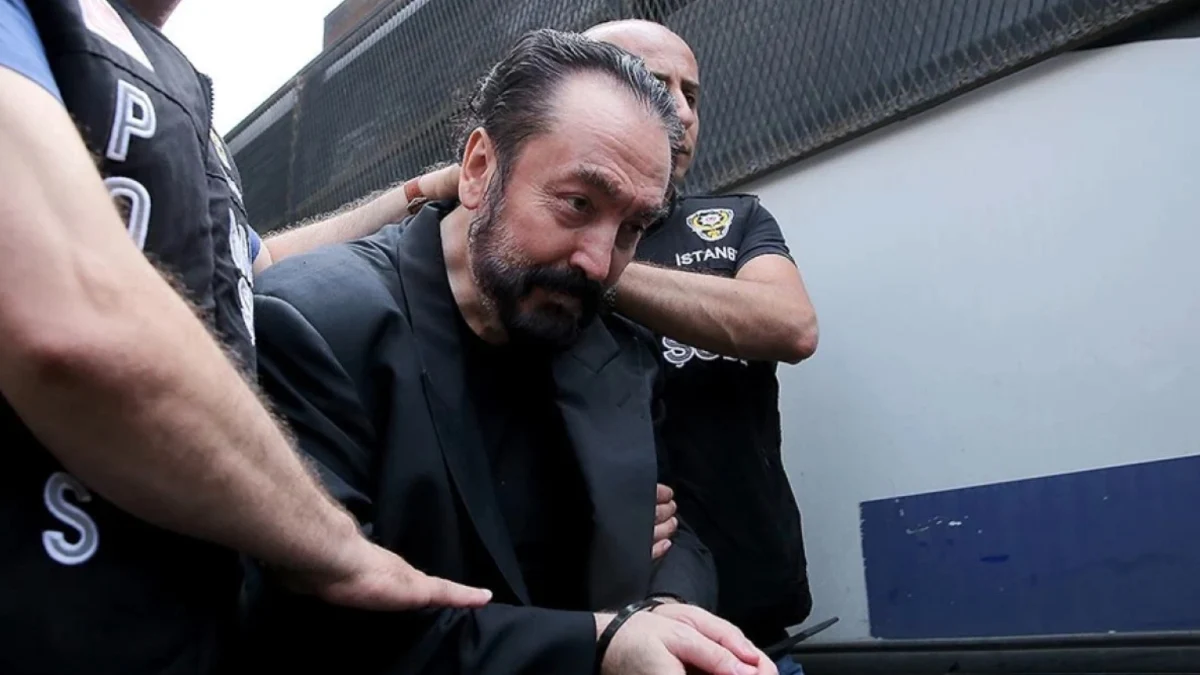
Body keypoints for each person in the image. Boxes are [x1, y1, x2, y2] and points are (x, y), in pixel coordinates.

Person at [246, 28, 776, 675]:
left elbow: (671, 534)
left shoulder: (612, 348)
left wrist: (668, 615)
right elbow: (320, 626)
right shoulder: (316, 324)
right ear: (478, 169)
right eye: (577, 203)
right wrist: (600, 644)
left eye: (632, 228)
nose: (600, 262)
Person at [0, 0, 486, 673]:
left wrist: (419, 191)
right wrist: (334, 545)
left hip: (170, 611)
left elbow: (256, 265)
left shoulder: (178, 94)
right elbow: (77, 319)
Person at [584, 19, 821, 674]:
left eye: (691, 93)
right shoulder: (530, 245)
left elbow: (792, 325)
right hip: (604, 631)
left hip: (753, 624)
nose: (683, 112)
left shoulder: (735, 221)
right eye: (655, 85)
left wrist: (597, 272)